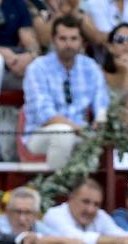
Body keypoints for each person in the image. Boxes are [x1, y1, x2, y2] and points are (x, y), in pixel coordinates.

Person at [21, 15, 107, 168]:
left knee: (103, 140)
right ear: (54, 41)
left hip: (83, 133)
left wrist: (100, 123)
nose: (68, 44)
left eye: (74, 39)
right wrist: (79, 129)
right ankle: (57, 189)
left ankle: (89, 188)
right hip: (41, 133)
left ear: (82, 42)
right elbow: (45, 114)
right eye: (63, 38)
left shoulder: (90, 66)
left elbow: (102, 103)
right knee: (63, 134)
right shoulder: (38, 68)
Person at [38, 177, 128, 244]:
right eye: (86, 202)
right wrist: (115, 241)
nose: (91, 209)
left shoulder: (99, 215)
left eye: (96, 204)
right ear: (71, 198)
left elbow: (118, 233)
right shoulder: (54, 215)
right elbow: (75, 238)